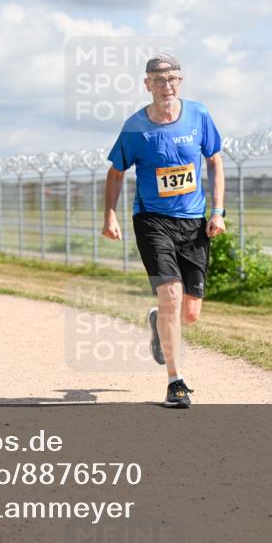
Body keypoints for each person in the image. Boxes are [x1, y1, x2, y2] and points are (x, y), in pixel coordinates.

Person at [101, 53, 226, 409]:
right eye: (159, 80)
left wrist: (217, 211)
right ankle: (176, 382)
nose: (166, 85)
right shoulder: (134, 127)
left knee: (189, 313)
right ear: (147, 85)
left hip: (193, 222)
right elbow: (116, 171)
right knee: (171, 297)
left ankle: (158, 322)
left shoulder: (199, 115)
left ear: (180, 82)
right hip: (152, 219)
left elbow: (215, 161)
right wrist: (110, 214)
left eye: (172, 79)